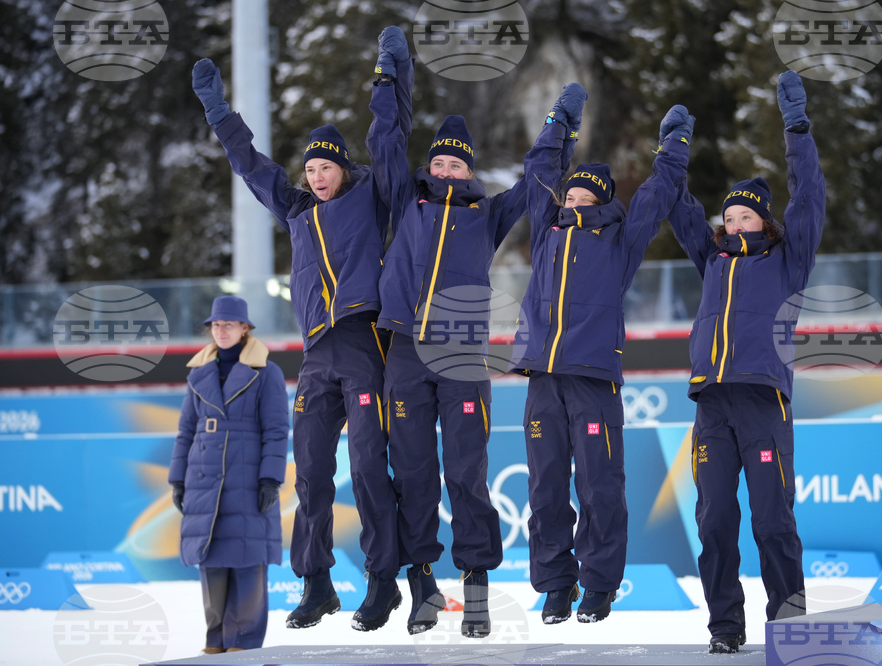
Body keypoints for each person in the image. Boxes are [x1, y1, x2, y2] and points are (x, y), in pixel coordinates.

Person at [191, 59, 401, 632]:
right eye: (309, 168)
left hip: (362, 342)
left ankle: (384, 580)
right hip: (316, 354)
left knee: (365, 466)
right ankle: (317, 583)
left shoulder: (371, 197)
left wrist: (389, 80)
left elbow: (388, 142)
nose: (314, 176)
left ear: (341, 170)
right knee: (308, 472)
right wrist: (218, 111)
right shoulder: (295, 210)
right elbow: (249, 164)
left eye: (323, 168)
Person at [367, 26, 542, 637]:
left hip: (463, 353)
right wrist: (389, 78)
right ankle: (421, 584)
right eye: (437, 160)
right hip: (406, 350)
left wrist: (558, 130)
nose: (444, 169)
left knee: (465, 470)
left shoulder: (486, 214)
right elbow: (386, 142)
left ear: (467, 169)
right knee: (411, 470)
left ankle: (477, 582)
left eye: (455, 162)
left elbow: (536, 185)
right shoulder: (404, 202)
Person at [511, 87, 696, 624]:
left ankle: (598, 585)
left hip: (593, 377)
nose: (572, 203)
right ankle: (553, 584)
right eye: (569, 196)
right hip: (542, 376)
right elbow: (541, 166)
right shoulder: (547, 229)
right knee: (544, 488)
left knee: (599, 487)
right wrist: (559, 121)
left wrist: (674, 147)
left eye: (583, 198)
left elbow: (658, 194)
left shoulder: (621, 238)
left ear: (601, 201)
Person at [665, 71, 824, 654]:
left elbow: (809, 197)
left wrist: (797, 128)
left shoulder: (788, 262)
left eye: (745, 217)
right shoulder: (711, 261)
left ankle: (792, 629)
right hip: (711, 405)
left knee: (773, 524)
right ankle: (725, 628)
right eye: (728, 218)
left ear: (765, 224)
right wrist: (674, 151)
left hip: (761, 401)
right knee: (713, 526)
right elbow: (680, 209)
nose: (733, 225)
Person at [168, 295, 288, 654]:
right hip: (205, 483)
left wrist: (270, 478)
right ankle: (215, 644)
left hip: (248, 482)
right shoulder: (198, 374)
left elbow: (277, 430)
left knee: (249, 564)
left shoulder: (267, 373)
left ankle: (244, 646)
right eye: (216, 325)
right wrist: (178, 479)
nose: (220, 330)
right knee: (213, 565)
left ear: (245, 328)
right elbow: (185, 432)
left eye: (228, 324)